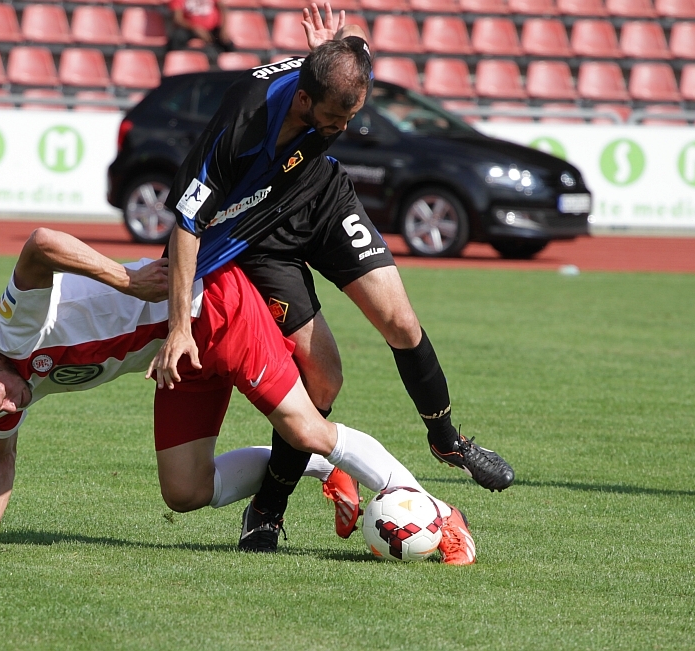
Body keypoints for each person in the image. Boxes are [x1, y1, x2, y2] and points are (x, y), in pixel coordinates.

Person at [150, 3, 513, 552]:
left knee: (400, 321)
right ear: (302, 99)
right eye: (333, 120)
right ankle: (267, 508)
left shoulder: (335, 77)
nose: (343, 129)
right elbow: (186, 224)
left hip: (324, 200)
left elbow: (358, 39)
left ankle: (447, 441)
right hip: (259, 239)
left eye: (350, 118)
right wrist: (179, 327)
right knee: (323, 379)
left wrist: (337, 43)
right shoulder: (244, 123)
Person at [0, 228, 476, 565]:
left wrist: (126, 279)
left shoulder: (11, 330)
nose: (9, 409)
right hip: (177, 354)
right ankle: (325, 469)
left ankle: (441, 515)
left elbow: (40, 243)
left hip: (212, 307)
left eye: (0, 398)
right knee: (184, 490)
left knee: (306, 426)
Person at [167, 0, 232, 53]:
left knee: (228, 44)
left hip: (212, 29)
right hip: (189, 29)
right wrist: (196, 29)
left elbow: (223, 9)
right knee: (178, 36)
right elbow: (178, 19)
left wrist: (224, 29)